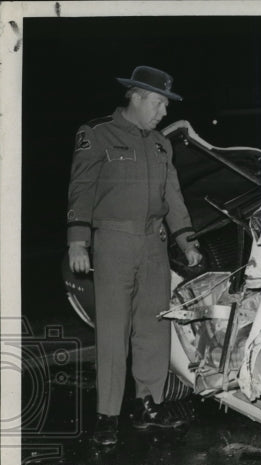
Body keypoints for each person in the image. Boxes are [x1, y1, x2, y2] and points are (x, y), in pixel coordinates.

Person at [67, 66, 203, 445]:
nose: (163, 112)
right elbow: (81, 188)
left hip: (154, 246)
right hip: (113, 241)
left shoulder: (161, 144)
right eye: (159, 103)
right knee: (113, 330)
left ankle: (148, 405)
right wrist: (78, 241)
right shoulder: (97, 134)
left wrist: (187, 242)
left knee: (154, 328)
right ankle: (107, 416)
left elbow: (173, 197)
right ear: (137, 96)